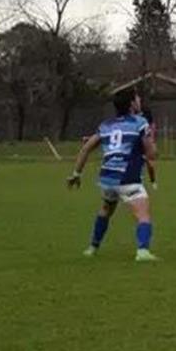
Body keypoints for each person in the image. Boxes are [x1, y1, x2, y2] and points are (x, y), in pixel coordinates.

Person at [66, 87, 158, 263]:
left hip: (107, 178)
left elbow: (86, 148)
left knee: (106, 210)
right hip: (127, 178)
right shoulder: (140, 123)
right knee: (143, 215)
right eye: (137, 98)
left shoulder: (106, 125)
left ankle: (92, 247)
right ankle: (143, 251)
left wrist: (76, 173)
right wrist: (150, 138)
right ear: (132, 104)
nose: (139, 100)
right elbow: (152, 153)